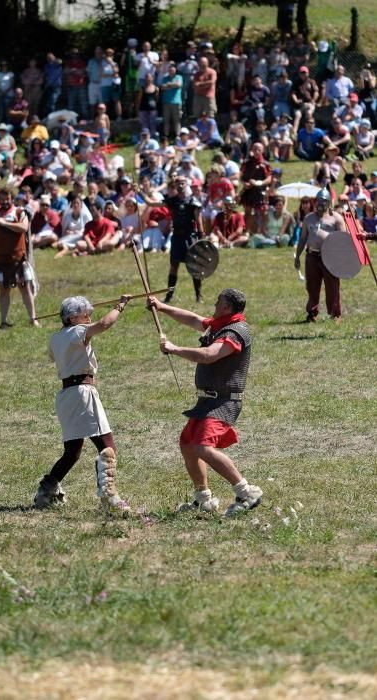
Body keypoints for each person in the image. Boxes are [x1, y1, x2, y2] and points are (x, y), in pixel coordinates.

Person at [147, 288, 262, 516]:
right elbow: (194, 319)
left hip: (223, 402)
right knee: (188, 445)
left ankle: (246, 491)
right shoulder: (220, 324)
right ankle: (203, 499)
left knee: (202, 447)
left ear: (227, 307)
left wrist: (174, 349)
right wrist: (162, 307)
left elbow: (209, 355)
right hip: (207, 402)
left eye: (217, 301)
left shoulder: (236, 332)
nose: (214, 304)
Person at [33, 294, 131, 513]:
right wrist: (120, 305)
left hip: (66, 396)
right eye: (86, 314)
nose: (89, 318)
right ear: (74, 317)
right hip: (82, 394)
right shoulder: (78, 331)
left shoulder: (55, 338)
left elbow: (55, 356)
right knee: (107, 446)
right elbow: (105, 323)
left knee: (72, 451)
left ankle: (46, 492)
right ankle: (109, 496)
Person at [294, 188, 346, 322]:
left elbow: (343, 240)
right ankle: (312, 313)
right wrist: (298, 256)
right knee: (312, 286)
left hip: (330, 257)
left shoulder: (336, 218)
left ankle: (336, 314)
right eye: (318, 201)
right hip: (312, 256)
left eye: (323, 201)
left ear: (329, 202)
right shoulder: (308, 218)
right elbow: (303, 238)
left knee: (332, 287)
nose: (320, 204)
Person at [0, 188, 39, 329]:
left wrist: (4, 223)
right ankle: (3, 322)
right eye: (2, 199)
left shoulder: (19, 212)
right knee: (3, 291)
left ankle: (33, 319)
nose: (5, 201)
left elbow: (23, 227)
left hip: (19, 259)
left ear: (11, 198)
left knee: (25, 289)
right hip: (3, 259)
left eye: (7, 198)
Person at [164, 175, 205, 303]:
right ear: (175, 185)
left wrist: (201, 235)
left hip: (189, 236)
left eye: (183, 183)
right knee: (174, 266)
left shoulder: (193, 201)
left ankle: (198, 296)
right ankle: (169, 296)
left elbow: (198, 219)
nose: (180, 185)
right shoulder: (172, 201)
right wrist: (139, 192)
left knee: (194, 267)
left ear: (186, 184)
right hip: (177, 237)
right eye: (178, 183)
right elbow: (150, 203)